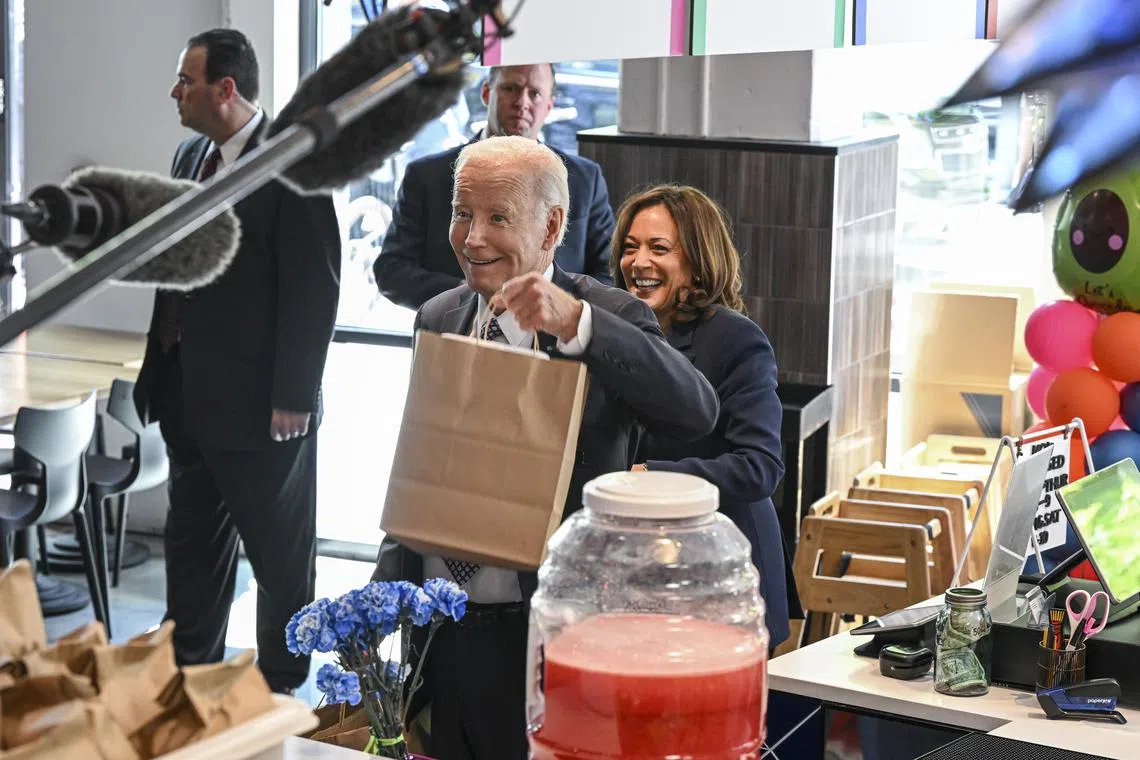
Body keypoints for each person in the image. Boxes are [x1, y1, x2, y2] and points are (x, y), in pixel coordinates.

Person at [372, 137, 719, 760]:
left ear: (552, 225)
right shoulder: (438, 315)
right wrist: (380, 600)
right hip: (437, 638)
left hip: (546, 637)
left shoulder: (607, 315)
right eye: (461, 214)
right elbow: (420, 459)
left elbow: (695, 411)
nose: (471, 238)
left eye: (497, 218)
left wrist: (576, 325)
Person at [132, 29, 341, 694]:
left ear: (225, 90)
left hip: (262, 407)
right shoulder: (190, 154)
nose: (174, 92)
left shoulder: (294, 163)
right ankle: (187, 664)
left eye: (184, 81)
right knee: (191, 542)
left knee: (279, 556)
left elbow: (316, 285)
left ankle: (280, 681)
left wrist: (296, 394)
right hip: (187, 396)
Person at [611, 184, 800, 650]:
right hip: (644, 571)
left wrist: (649, 477)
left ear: (697, 260)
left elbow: (759, 467)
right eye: (630, 248)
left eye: (659, 248)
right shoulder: (613, 331)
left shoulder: (735, 340)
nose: (639, 263)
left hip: (723, 570)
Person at [372, 63, 615, 310]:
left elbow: (609, 273)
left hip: (557, 340)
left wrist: (562, 310)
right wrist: (472, 296)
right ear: (487, 93)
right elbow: (392, 271)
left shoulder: (584, 179)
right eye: (511, 88)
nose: (522, 102)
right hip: (455, 335)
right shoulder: (427, 175)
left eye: (535, 93)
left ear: (549, 106)